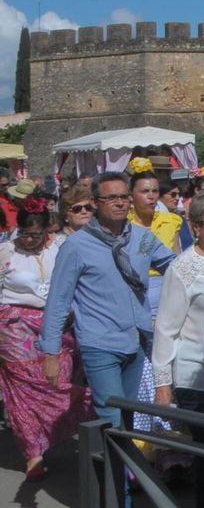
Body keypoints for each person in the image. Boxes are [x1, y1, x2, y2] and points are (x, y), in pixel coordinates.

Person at [38, 171, 176, 433]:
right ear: (95, 202)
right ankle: (113, 472)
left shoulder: (141, 238)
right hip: (99, 342)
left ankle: (118, 471)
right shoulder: (77, 246)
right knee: (111, 416)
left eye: (124, 197)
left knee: (128, 416)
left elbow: (173, 266)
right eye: (111, 198)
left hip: (136, 340)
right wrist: (51, 353)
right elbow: (58, 300)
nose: (120, 203)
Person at [0, 198, 95, 481]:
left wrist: (71, 312)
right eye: (25, 234)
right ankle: (32, 453)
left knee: (56, 382)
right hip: (13, 325)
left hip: (58, 323)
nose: (29, 240)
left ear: (47, 231)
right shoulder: (5, 251)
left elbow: (78, 283)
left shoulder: (62, 248)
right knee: (25, 386)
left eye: (36, 235)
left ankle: (57, 429)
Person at [151, 193, 204, 503]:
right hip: (197, 378)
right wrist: (163, 387)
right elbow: (166, 330)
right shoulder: (183, 268)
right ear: (197, 227)